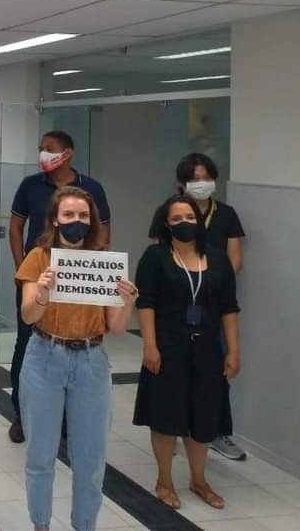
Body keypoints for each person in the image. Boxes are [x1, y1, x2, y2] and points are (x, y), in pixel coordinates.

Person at [16, 186, 137, 531]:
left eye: (83, 215)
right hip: (44, 357)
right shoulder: (39, 257)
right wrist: (43, 291)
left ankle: (85, 525)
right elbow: (28, 316)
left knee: (90, 459)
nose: (76, 221)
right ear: (55, 219)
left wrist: (127, 301)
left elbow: (116, 327)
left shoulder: (102, 261)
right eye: (68, 214)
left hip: (91, 360)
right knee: (40, 455)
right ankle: (41, 525)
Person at [134, 194, 241, 512]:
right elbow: (145, 303)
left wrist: (233, 350)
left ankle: (199, 480)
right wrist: (149, 346)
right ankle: (165, 481)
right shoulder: (156, 257)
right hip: (168, 348)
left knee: (203, 416)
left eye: (190, 217)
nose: (185, 223)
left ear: (199, 221)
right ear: (166, 224)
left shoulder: (217, 257)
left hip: (207, 348)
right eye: (177, 219)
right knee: (166, 416)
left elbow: (229, 308)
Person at [7, 130, 110, 443]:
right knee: (27, 341)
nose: (43, 153)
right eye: (41, 148)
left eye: (49, 148)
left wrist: (97, 271)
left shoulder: (92, 188)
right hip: (39, 277)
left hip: (80, 280)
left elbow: (103, 232)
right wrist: (23, 268)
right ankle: (22, 414)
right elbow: (16, 227)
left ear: (68, 153)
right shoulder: (30, 185)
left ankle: (67, 416)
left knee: (74, 340)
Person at [147, 152, 246, 461]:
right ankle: (173, 428)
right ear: (182, 183)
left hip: (211, 306)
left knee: (214, 376)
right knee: (172, 376)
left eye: (207, 178)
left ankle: (215, 432)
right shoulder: (167, 212)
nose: (202, 183)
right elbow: (158, 261)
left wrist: (210, 281)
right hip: (175, 309)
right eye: (195, 179)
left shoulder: (226, 214)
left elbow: (234, 260)